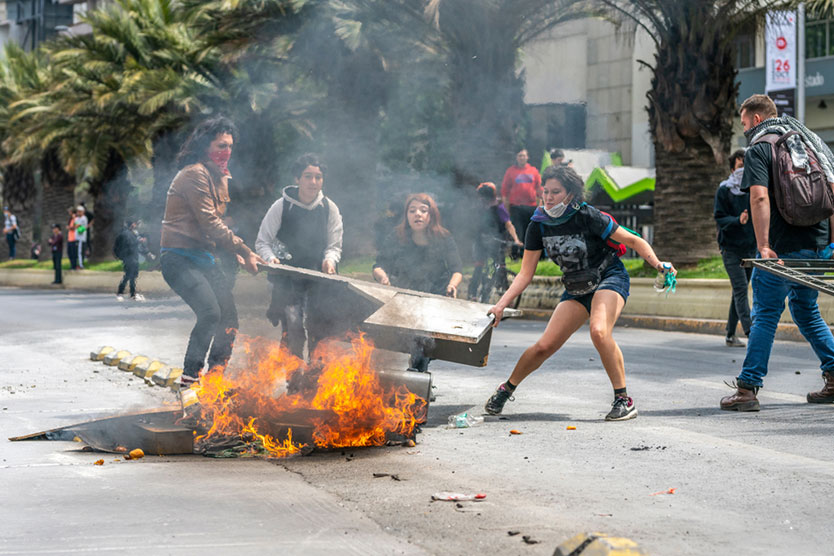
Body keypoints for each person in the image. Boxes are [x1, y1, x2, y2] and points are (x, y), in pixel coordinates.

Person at [484, 165, 676, 421]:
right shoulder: (538, 225)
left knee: (598, 330)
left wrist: (659, 264)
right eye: (546, 191)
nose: (548, 197)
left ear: (570, 194)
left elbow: (632, 240)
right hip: (576, 288)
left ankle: (623, 400)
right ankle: (506, 390)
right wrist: (500, 306)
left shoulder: (587, 215)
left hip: (609, 277)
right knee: (544, 346)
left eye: (555, 192)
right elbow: (524, 273)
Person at [721, 94, 834, 411]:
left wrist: (763, 246)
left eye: (744, 123)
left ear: (756, 119)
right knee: (805, 310)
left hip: (780, 249)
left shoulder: (760, 147)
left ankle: (747, 389)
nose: (744, 130)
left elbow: (759, 198)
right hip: (815, 245)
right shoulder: (809, 143)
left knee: (765, 315)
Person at [159, 116, 264, 386]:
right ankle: (190, 378)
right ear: (205, 146)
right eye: (220, 146)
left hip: (204, 258)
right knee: (210, 313)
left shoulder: (220, 178)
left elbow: (213, 230)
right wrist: (244, 248)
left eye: (229, 146)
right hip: (178, 258)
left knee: (230, 320)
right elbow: (210, 222)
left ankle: (216, 378)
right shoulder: (194, 174)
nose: (226, 152)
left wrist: (236, 253)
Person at [255, 153, 343, 360]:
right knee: (293, 327)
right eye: (307, 176)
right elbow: (262, 242)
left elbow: (334, 246)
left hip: (319, 279)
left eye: (318, 177)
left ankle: (315, 377)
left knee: (319, 330)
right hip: (288, 278)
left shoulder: (330, 208)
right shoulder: (281, 206)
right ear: (297, 179)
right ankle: (293, 380)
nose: (313, 182)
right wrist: (270, 259)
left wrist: (329, 260)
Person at [373, 193, 463, 372]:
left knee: (422, 341)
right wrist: (383, 277)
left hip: (434, 299)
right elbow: (378, 265)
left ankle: (417, 379)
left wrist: (452, 286)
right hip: (403, 298)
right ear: (406, 215)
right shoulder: (396, 236)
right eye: (412, 211)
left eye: (423, 210)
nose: (418, 214)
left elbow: (457, 270)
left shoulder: (444, 238)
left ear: (431, 215)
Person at [714, 148, 755, 348]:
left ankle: (730, 334)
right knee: (740, 289)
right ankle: (751, 331)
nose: (743, 170)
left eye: (746, 166)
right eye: (740, 166)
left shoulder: (754, 190)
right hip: (730, 249)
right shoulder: (724, 190)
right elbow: (719, 218)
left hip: (750, 249)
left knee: (739, 290)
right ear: (732, 169)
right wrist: (738, 220)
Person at [467, 182, 523, 301]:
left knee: (500, 266)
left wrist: (516, 239)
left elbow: (509, 225)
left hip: (496, 241)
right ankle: (473, 294)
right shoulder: (478, 207)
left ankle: (507, 297)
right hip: (481, 240)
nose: (483, 200)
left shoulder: (499, 207)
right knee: (479, 266)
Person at [501, 149, 541, 255]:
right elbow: (505, 192)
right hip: (516, 206)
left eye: (523, 156)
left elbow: (539, 190)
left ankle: (528, 254)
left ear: (527, 157)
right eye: (519, 156)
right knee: (518, 231)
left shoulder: (533, 171)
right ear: (516, 157)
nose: (522, 158)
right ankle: (515, 255)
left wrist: (541, 205)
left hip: (531, 206)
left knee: (530, 231)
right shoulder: (511, 171)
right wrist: (506, 209)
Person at [114, 219, 144, 302]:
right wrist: (137, 241)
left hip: (133, 257)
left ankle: (131, 293)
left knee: (132, 276)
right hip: (129, 258)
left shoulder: (132, 233)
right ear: (131, 224)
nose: (136, 225)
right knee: (129, 275)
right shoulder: (126, 234)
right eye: (134, 223)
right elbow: (129, 245)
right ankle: (123, 293)